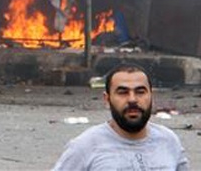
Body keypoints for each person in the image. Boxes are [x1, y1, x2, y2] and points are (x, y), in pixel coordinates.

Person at [52, 62, 189, 170]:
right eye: (123, 92)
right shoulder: (85, 146)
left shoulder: (169, 142)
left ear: (151, 96)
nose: (132, 99)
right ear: (107, 99)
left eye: (140, 92)